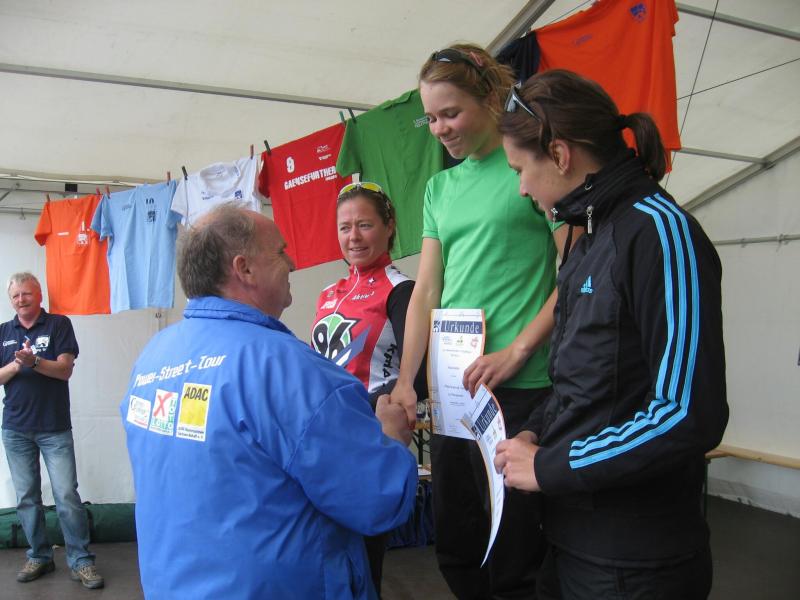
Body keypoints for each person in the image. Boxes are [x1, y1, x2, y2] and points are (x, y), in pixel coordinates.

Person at [494, 70, 728, 599]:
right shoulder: (590, 235)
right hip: (571, 539)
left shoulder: (660, 232)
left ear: (559, 155)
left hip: (636, 561)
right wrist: (535, 433)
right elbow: (582, 381)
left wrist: (552, 465)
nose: (521, 188)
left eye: (520, 170)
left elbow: (688, 413)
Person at [121, 204, 417, 600]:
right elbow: (378, 498)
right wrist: (391, 437)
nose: (292, 263)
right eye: (280, 252)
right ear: (243, 268)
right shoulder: (291, 371)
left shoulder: (152, 358)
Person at [390, 44, 572, 599]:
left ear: (491, 98)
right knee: (458, 538)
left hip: (519, 386)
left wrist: (519, 350)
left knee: (517, 547)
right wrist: (407, 380)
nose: (440, 129)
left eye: (451, 113)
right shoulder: (439, 188)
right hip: (454, 389)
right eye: (431, 118)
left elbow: (577, 271)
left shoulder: (528, 167)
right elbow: (426, 291)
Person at [312, 182, 428, 597]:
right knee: (325, 553)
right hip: (324, 439)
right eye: (345, 227)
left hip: (368, 438)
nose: (354, 237)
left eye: (365, 224)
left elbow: (419, 374)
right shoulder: (328, 294)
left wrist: (385, 404)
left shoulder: (402, 289)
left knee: (363, 558)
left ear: (389, 226)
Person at [0, 272, 103, 589]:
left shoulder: (59, 324)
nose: (21, 300)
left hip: (53, 427)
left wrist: (35, 362)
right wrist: (17, 365)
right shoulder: (3, 331)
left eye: (26, 294)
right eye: (15, 296)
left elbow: (65, 370)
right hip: (15, 429)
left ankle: (81, 561)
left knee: (66, 496)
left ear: (39, 294)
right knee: (27, 498)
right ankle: (39, 556)